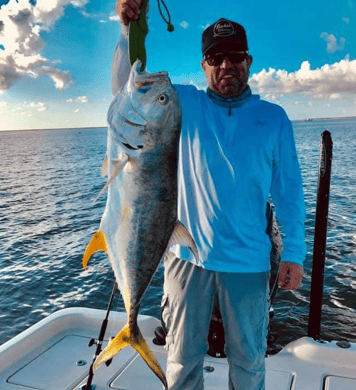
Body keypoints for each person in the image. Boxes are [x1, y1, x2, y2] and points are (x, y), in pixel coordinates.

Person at [112, 1, 306, 389]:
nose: (225, 65)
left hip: (250, 264)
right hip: (187, 259)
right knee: (182, 363)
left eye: (235, 56)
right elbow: (126, 91)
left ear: (248, 61)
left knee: (250, 365)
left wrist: (294, 254)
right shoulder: (184, 105)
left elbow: (289, 193)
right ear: (203, 65)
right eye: (215, 58)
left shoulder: (274, 118)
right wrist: (129, 30)